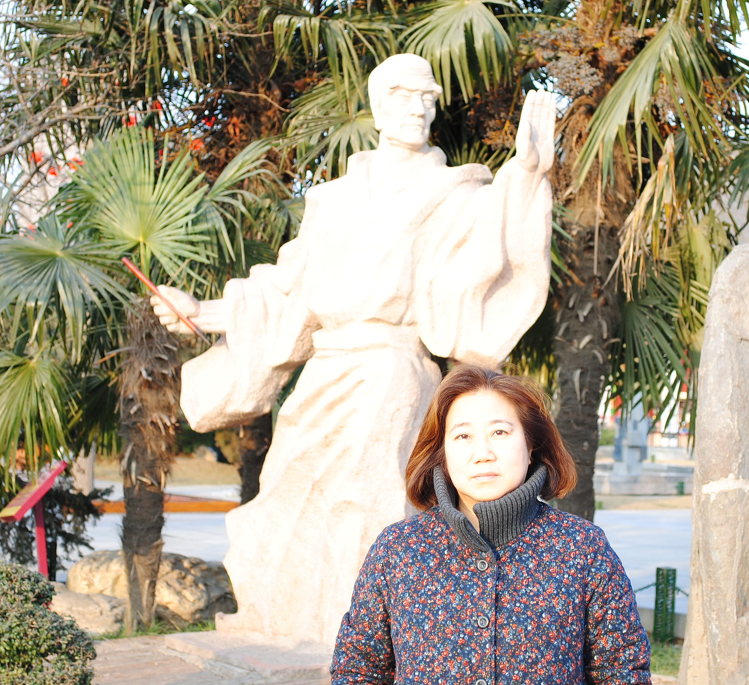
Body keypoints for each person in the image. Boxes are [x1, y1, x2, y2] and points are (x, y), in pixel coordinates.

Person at [150, 54, 557, 644]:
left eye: (427, 97)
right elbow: (289, 291)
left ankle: (368, 638)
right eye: (402, 95)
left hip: (392, 370)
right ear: (377, 106)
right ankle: (295, 625)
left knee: (373, 501)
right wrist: (201, 312)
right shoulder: (333, 200)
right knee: (288, 492)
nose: (416, 108)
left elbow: (502, 236)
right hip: (326, 373)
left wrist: (527, 174)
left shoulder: (458, 193)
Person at [330, 366, 652, 684]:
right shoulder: (398, 549)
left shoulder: (582, 547)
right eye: (463, 436)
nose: (482, 454)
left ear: (530, 446)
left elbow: (622, 671)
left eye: (500, 432)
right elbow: (358, 670)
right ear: (442, 453)